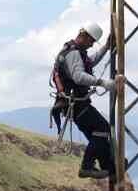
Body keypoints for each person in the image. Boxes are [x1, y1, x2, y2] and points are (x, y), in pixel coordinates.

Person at [52, 23, 124, 182]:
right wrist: (102, 82)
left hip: (75, 104)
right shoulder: (74, 53)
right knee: (102, 128)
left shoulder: (74, 52)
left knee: (97, 135)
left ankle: (110, 168)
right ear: (83, 36)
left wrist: (105, 47)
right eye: (91, 41)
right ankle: (87, 166)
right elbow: (78, 76)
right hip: (77, 104)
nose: (91, 45)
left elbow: (89, 62)